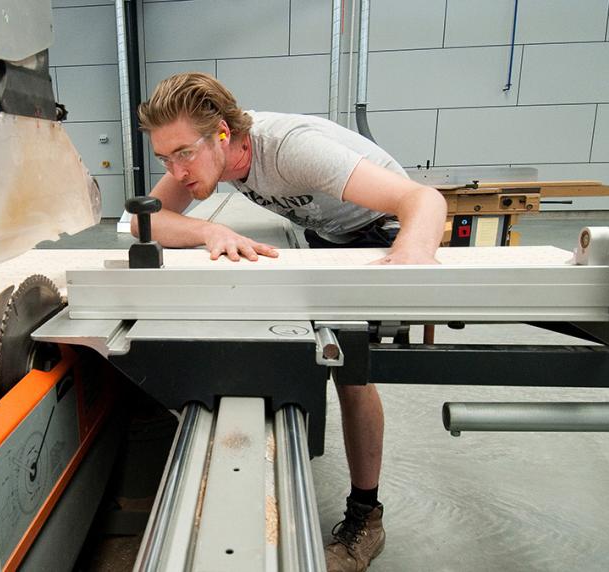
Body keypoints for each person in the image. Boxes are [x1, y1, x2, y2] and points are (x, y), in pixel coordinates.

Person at [135, 72, 446, 572]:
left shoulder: (291, 150)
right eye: (164, 159)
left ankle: (366, 518)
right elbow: (144, 221)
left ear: (221, 133)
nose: (176, 171)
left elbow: (423, 200)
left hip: (376, 231)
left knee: (352, 372)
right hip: (327, 234)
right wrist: (208, 228)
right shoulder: (198, 154)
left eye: (183, 155)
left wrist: (411, 254)